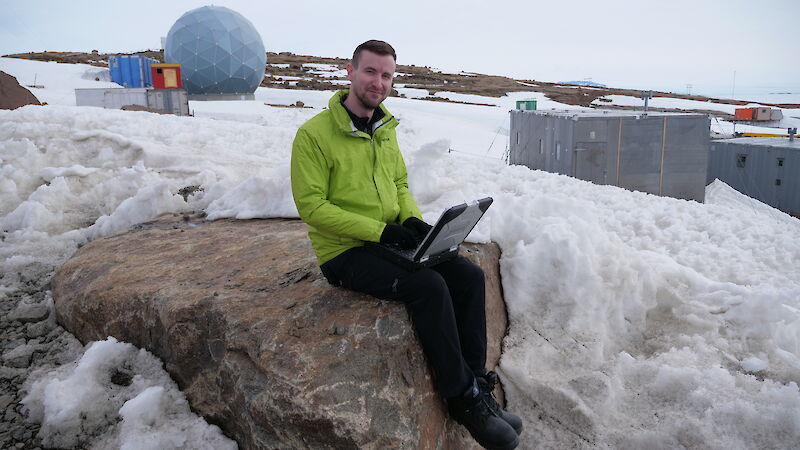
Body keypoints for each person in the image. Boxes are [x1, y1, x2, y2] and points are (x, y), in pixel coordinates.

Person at [290, 40, 522, 450]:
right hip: (345, 252)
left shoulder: (384, 128)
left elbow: (398, 185)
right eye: (370, 72)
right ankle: (460, 399)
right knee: (428, 286)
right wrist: (379, 232)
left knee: (466, 274)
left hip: (385, 242)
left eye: (386, 75)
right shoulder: (313, 135)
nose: (378, 83)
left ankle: (477, 386)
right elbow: (312, 207)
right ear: (350, 72)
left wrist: (410, 219)